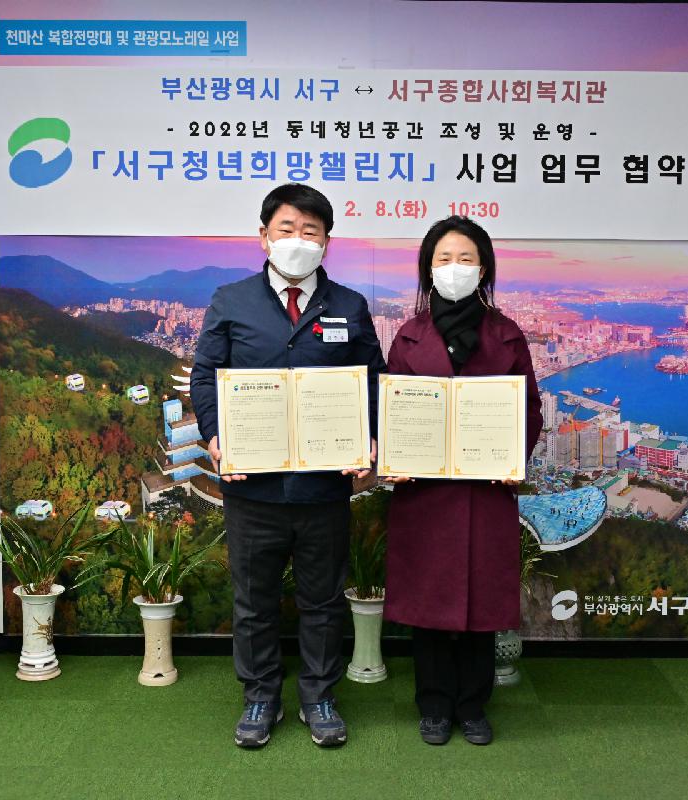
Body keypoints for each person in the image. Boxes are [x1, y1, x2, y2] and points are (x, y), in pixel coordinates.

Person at [191, 183, 385, 749]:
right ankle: (259, 696)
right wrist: (215, 434)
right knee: (253, 600)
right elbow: (206, 374)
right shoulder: (232, 299)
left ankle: (319, 695)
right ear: (263, 237)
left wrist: (369, 440)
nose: (298, 241)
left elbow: (372, 380)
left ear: (327, 242)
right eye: (286, 230)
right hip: (253, 486)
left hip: (324, 486)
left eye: (310, 232)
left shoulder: (348, 305)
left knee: (323, 599)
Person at [382, 216, 542, 746]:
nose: (455, 269)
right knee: (429, 601)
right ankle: (432, 704)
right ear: (428, 269)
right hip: (424, 492)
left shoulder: (507, 333)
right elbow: (393, 409)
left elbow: (530, 409)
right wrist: (396, 456)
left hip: (486, 490)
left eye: (466, 259)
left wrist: (510, 457)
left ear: (485, 267)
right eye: (444, 259)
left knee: (481, 602)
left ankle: (473, 705)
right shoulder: (407, 335)